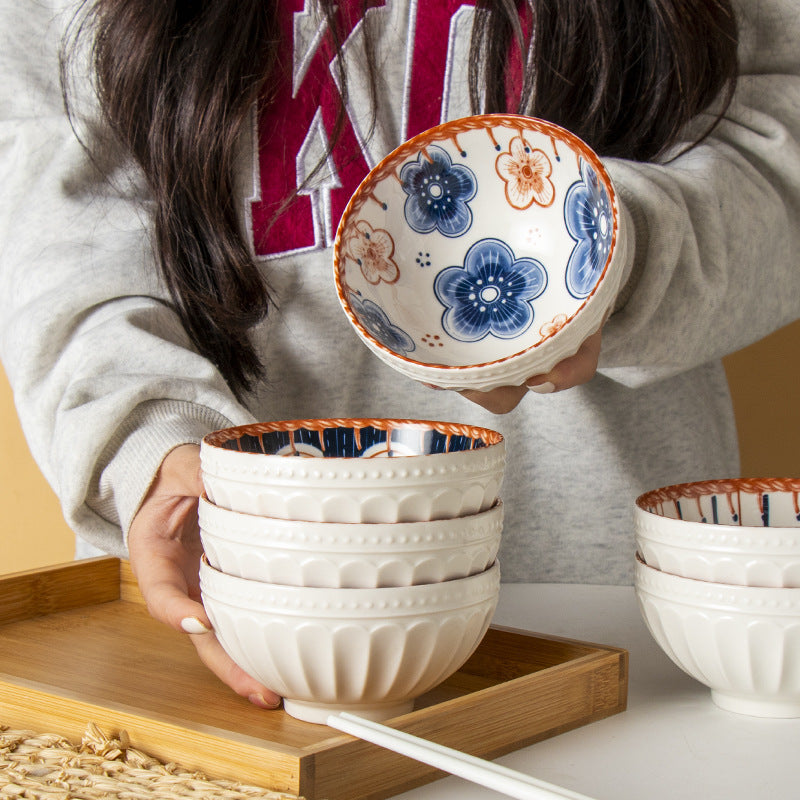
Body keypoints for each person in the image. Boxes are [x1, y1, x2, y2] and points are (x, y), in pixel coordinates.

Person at [2, 0, 799, 710]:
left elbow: (781, 141)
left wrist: (615, 260)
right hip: (216, 608)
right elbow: (58, 245)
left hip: (602, 617)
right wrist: (148, 444)